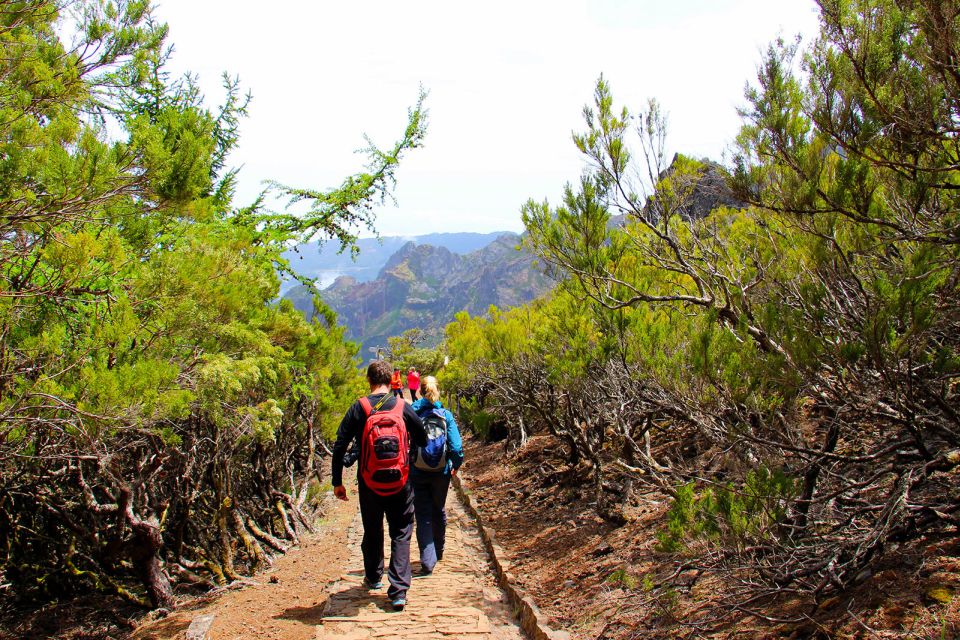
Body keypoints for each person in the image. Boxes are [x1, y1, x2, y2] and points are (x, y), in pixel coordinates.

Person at [332, 360, 427, 611]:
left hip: (369, 482)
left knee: (372, 529)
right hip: (400, 481)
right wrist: (409, 456)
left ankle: (373, 576)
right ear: (390, 380)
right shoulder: (402, 406)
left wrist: (337, 482)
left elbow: (340, 445)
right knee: (402, 531)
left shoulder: (359, 407)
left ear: (369, 381)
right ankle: (398, 590)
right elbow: (423, 437)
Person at [410, 376, 464, 576]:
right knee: (438, 508)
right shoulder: (445, 414)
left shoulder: (414, 411)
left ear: (421, 391)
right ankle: (439, 550)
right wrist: (455, 465)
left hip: (417, 470)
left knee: (422, 513)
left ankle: (427, 558)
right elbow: (457, 447)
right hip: (441, 472)